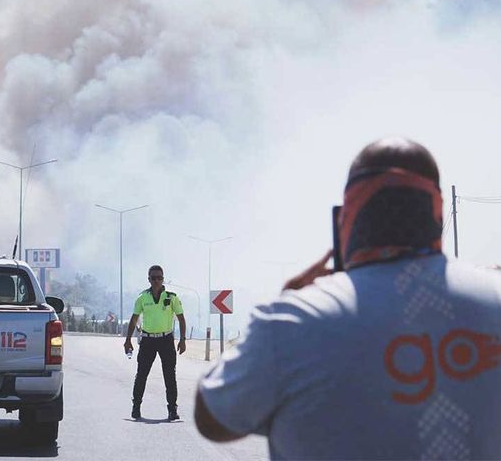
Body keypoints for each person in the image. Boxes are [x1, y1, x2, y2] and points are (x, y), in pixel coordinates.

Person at [195, 137, 501, 459]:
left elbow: (213, 419)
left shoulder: (292, 322)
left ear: (348, 218)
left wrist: (286, 305)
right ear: (436, 211)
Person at [124, 265, 187, 421]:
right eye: (154, 278)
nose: (157, 281)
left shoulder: (172, 297)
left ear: (163, 278)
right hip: (148, 340)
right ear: (149, 279)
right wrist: (127, 340)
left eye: (160, 277)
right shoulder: (142, 298)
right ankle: (136, 407)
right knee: (141, 375)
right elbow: (134, 319)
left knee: (170, 376)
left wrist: (183, 340)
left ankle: (172, 409)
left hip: (166, 340)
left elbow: (181, 318)